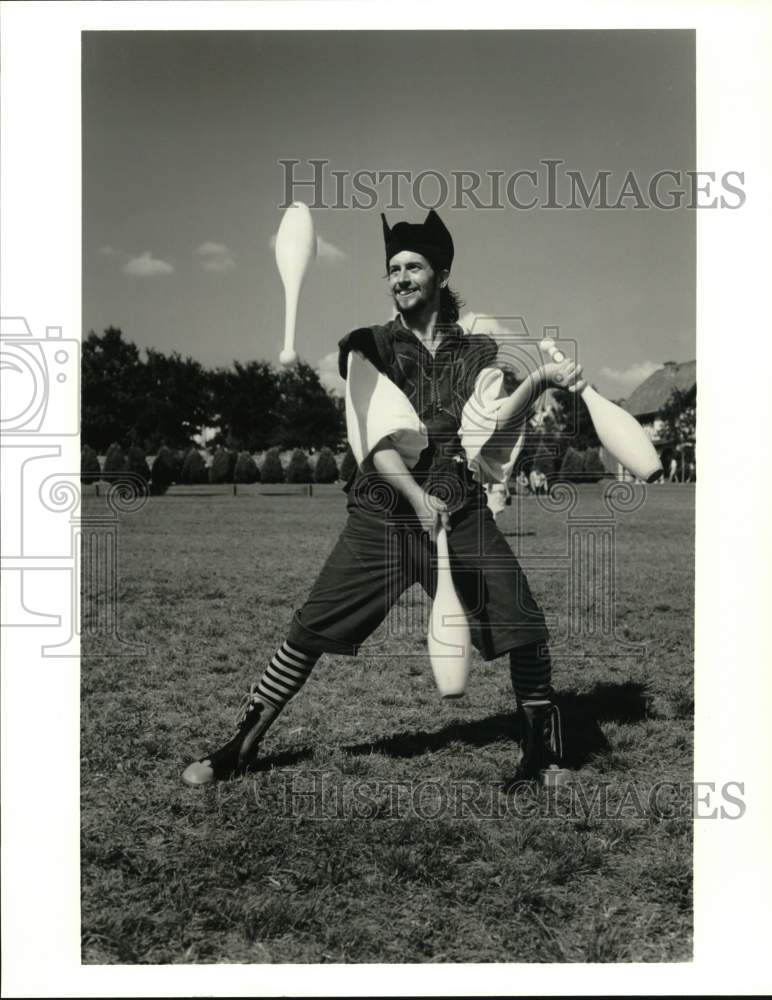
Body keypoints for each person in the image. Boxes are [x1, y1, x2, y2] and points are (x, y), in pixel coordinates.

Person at [182, 209, 585, 789]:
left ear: (441, 275)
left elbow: (489, 425)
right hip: (384, 515)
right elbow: (374, 440)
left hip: (460, 512)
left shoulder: (477, 351)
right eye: (392, 268)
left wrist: (540, 380)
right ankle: (238, 746)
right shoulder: (368, 347)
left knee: (522, 620)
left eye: (413, 266)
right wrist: (417, 497)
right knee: (309, 629)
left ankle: (543, 753)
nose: (400, 277)